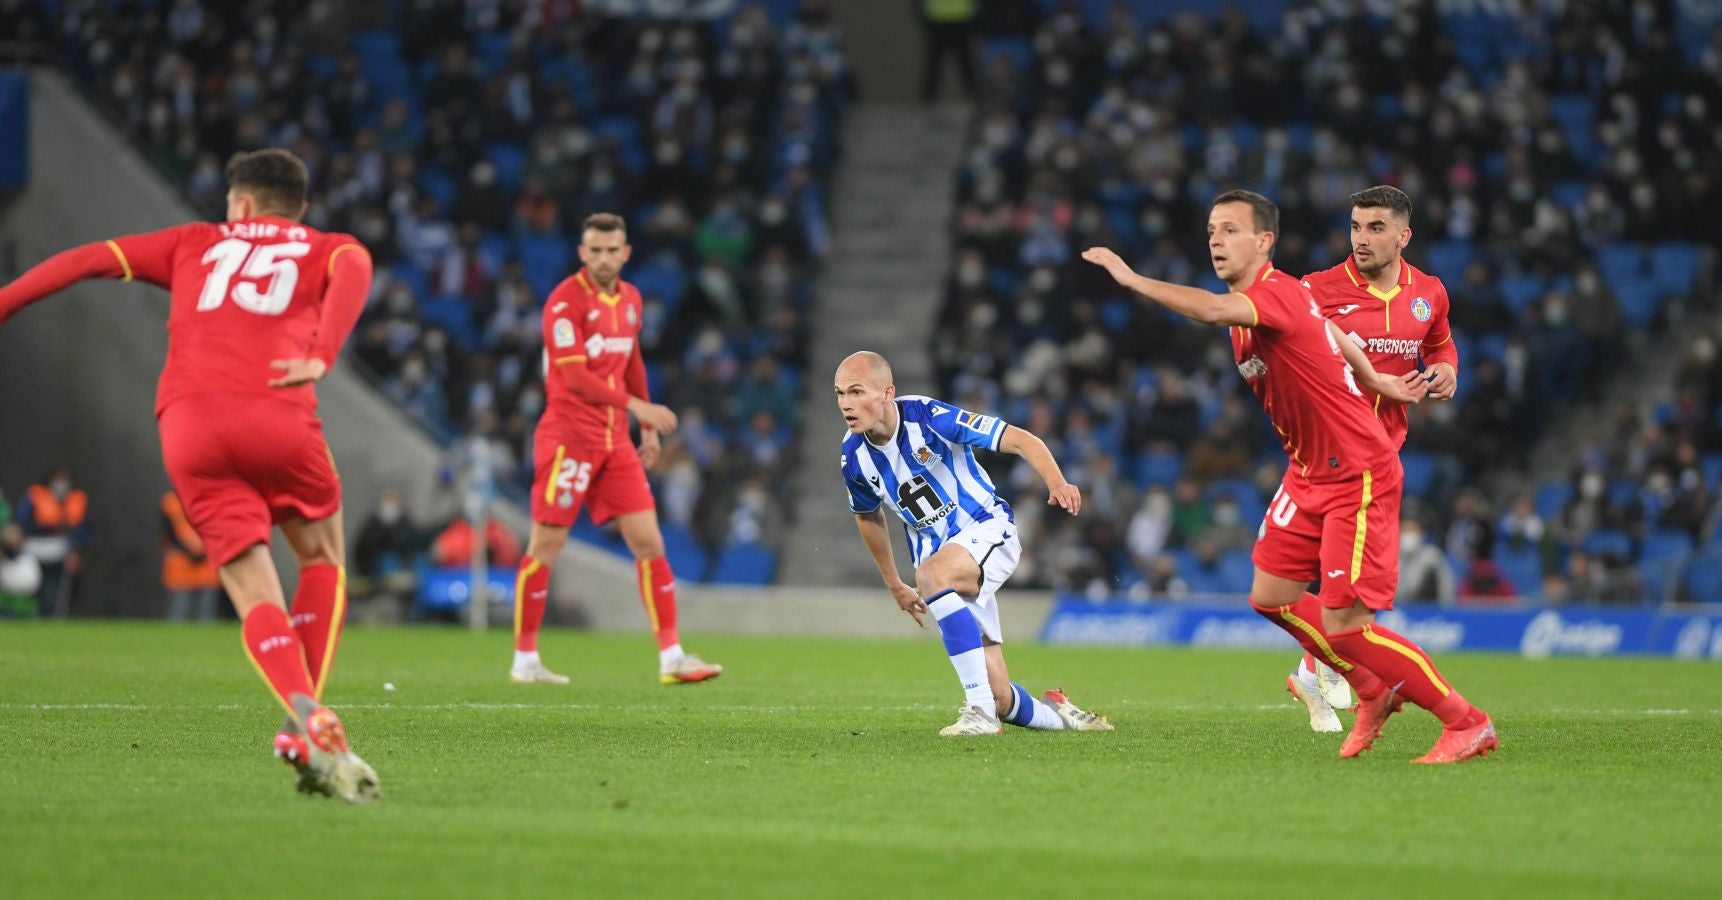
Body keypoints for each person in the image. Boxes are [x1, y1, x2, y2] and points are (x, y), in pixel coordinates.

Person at [0, 149, 380, 800]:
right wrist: (320, 355)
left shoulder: (192, 242)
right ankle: (303, 718)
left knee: (251, 591)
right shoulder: (328, 246)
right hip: (279, 412)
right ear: (299, 209)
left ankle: (304, 716)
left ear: (241, 205)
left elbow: (85, 260)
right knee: (321, 559)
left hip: (190, 424)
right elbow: (355, 267)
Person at [1083, 190, 1496, 764]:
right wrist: (1378, 381)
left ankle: (1466, 722)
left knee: (1348, 627)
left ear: (1264, 241)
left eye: (1230, 230)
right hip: (1309, 471)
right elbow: (1336, 337)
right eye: (1210, 232)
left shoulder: (1268, 296)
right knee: (1271, 596)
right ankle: (1373, 691)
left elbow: (1207, 309)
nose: (1216, 242)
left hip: (1357, 469)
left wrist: (1131, 279)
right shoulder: (1297, 294)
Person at [835, 350, 1111, 736]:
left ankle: (978, 713)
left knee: (930, 575)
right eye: (840, 394)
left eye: (856, 392)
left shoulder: (928, 417)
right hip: (944, 564)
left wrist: (1057, 482)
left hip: (987, 530)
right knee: (1003, 697)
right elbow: (867, 516)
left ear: (886, 393)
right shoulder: (853, 457)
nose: (846, 404)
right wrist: (892, 582)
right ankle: (1060, 714)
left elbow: (1019, 439)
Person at [1279, 185, 1464, 731]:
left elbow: (1440, 345)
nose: (1361, 238)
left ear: (1404, 235)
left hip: (1382, 450)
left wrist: (1448, 369)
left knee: (1347, 581)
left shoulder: (1428, 292)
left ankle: (1316, 670)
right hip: (1326, 450)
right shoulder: (1317, 289)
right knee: (1345, 584)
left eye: (1376, 228)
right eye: (1356, 227)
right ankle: (1336, 668)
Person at [510, 213, 722, 686]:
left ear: (626, 253)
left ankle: (672, 656)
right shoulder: (564, 303)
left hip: (613, 442)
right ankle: (525, 659)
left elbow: (631, 358)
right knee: (545, 546)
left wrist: (643, 424)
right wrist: (637, 408)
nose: (604, 258)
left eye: (613, 250)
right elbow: (574, 376)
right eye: (595, 250)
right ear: (582, 253)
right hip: (569, 439)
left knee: (650, 543)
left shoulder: (629, 299)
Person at [15, 467, 87, 617]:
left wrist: (75, 550)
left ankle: (50, 617)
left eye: (64, 480)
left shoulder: (74, 499)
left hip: (58, 550)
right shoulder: (36, 495)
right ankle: (27, 615)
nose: (60, 484)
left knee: (53, 589)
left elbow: (83, 531)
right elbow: (22, 520)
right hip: (34, 547)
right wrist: (46, 527)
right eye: (58, 479)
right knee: (31, 585)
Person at [161, 491, 221, 623]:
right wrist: (189, 550)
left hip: (206, 562)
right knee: (180, 606)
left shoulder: (212, 499)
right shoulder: (170, 502)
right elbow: (167, 533)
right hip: (182, 563)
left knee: (207, 610)